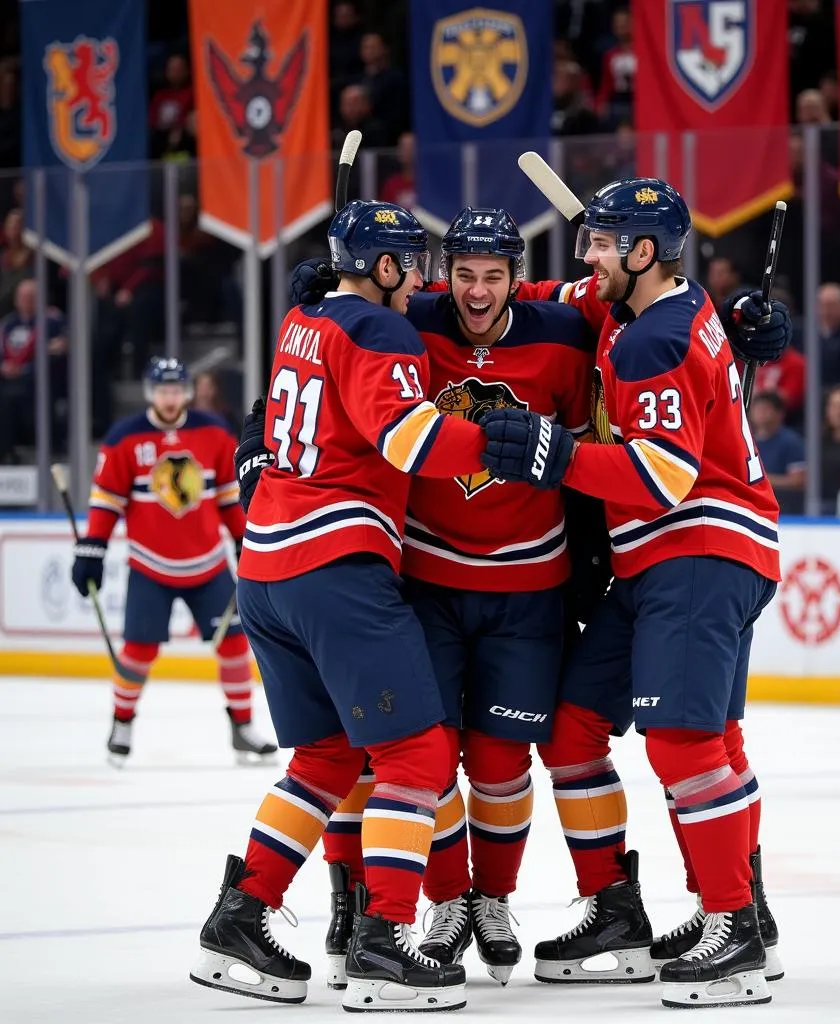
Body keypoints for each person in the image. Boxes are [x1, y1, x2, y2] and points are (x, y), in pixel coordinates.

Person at [479, 179, 789, 1007]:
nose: (586, 256)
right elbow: (540, 295)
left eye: (601, 242)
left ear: (643, 253)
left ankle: (733, 930)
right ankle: (628, 910)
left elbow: (664, 472)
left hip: (696, 550)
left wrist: (557, 457)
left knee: (687, 745)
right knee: (578, 725)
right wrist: (401, 295)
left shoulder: (653, 338)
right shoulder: (650, 306)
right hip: (677, 559)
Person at [271, 208, 597, 988]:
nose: (476, 289)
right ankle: (444, 900)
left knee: (497, 761)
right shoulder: (402, 316)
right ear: (433, 273)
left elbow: (626, 300)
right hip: (427, 578)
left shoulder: (558, 331)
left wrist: (736, 321)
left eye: (494, 275)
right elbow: (327, 349)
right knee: (423, 754)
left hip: (528, 584)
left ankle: (493, 897)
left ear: (518, 277)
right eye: (461, 272)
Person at [190, 200, 490, 1013]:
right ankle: (385, 943)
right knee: (417, 757)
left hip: (266, 566)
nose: (425, 277)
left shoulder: (303, 315)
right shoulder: (380, 331)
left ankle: (240, 915)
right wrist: (502, 439)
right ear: (384, 267)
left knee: (326, 758)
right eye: (411, 261)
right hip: (336, 564)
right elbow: (409, 439)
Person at [70, 357, 274, 767]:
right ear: (150, 393)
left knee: (235, 644)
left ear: (187, 391)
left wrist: (241, 537)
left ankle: (243, 728)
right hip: (151, 566)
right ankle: (122, 722)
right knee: (138, 651)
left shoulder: (212, 432)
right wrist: (92, 547)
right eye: (162, 390)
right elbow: (107, 500)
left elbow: (228, 496)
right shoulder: (125, 438)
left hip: (208, 564)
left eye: (176, 389)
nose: (170, 397)